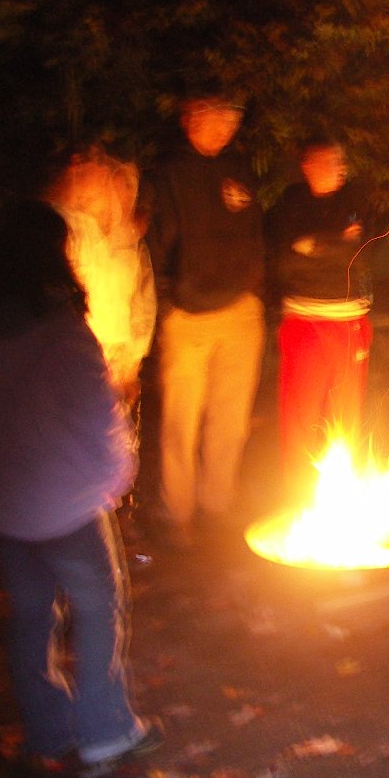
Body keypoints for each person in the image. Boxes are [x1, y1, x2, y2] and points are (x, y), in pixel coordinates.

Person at [0, 201, 159, 777]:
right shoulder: (61, 329)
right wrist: (115, 476)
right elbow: (98, 413)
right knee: (98, 608)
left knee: (30, 616)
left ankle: (48, 731)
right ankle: (105, 731)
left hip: (3, 501)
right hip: (67, 500)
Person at [145, 88, 266, 549]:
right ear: (191, 118)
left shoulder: (238, 169)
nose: (227, 128)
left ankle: (217, 504)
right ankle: (176, 512)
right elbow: (156, 243)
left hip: (240, 309)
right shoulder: (168, 174)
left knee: (230, 418)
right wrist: (167, 301)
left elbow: (253, 230)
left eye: (233, 119)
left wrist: (253, 285)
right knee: (181, 420)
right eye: (219, 117)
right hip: (189, 313)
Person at [268, 138, 371, 505]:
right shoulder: (291, 204)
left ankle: (341, 497)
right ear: (308, 166)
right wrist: (335, 244)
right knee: (300, 415)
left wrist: (313, 246)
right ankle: (297, 497)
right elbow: (283, 261)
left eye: (342, 161)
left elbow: (359, 254)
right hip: (305, 322)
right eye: (331, 161)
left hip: (349, 322)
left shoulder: (356, 199)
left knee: (347, 414)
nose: (341, 168)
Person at [47, 145, 156, 413]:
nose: (123, 196)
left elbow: (142, 302)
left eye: (130, 188)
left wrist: (131, 362)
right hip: (81, 363)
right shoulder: (68, 235)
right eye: (116, 185)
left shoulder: (127, 244)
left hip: (117, 365)